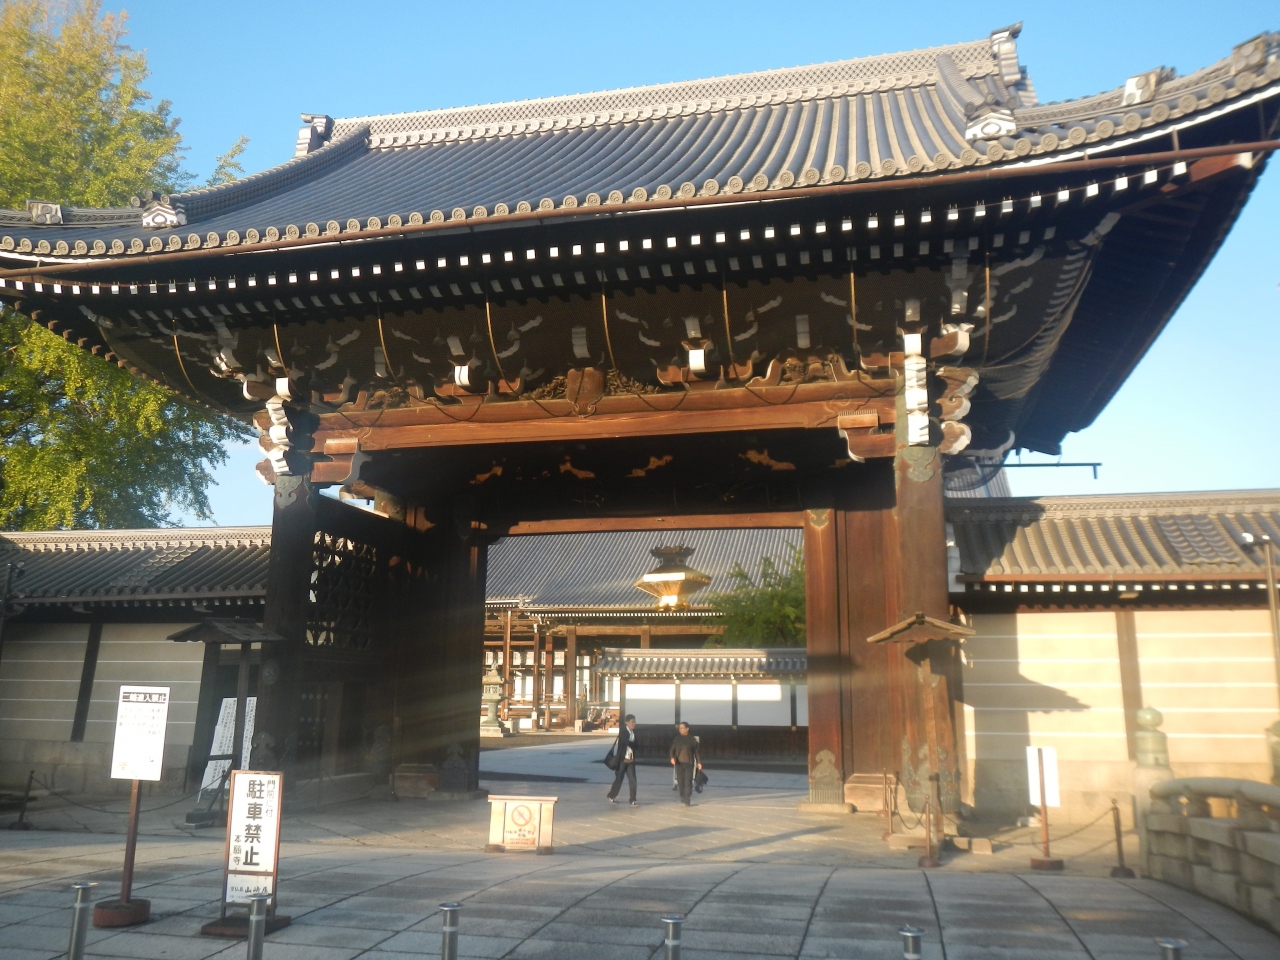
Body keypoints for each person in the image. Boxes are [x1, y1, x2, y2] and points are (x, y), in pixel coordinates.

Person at [606, 714, 639, 806]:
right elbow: (628, 742)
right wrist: (633, 744)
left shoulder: (634, 733)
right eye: (632, 722)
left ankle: (633, 799)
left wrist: (633, 744)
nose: (634, 724)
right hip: (622, 760)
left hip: (630, 761)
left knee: (633, 780)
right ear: (626, 723)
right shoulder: (623, 732)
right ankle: (611, 795)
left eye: (634, 722)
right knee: (619, 779)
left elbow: (637, 746)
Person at [669, 721, 702, 806]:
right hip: (679, 763)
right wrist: (672, 758)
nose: (680, 729)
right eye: (679, 728)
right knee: (680, 781)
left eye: (682, 728)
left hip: (689, 763)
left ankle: (687, 798)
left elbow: (696, 752)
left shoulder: (692, 739)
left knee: (688, 781)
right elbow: (672, 750)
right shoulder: (677, 739)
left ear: (687, 729)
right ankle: (682, 796)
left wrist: (699, 762)